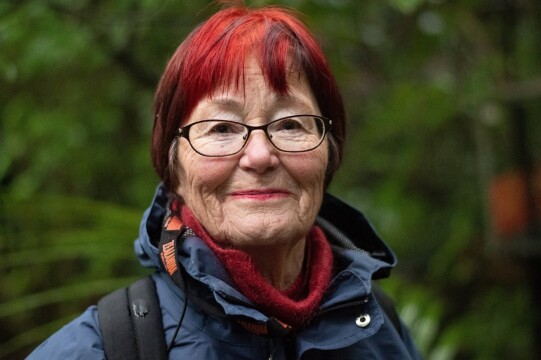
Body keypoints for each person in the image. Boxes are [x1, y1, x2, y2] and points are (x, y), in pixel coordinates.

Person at [28, 3, 421, 359]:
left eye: (289, 124)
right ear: (174, 170)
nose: (260, 155)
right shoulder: (98, 350)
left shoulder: (380, 331)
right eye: (220, 128)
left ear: (329, 155)